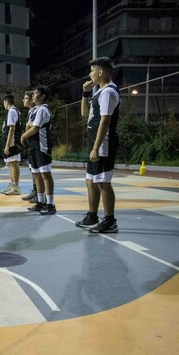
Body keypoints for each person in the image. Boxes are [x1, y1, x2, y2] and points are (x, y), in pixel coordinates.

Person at [76, 57, 121, 233]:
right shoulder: (100, 92)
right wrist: (85, 93)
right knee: (91, 181)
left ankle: (110, 221)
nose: (90, 74)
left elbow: (105, 121)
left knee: (103, 183)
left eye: (92, 71)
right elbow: (84, 114)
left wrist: (96, 148)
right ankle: (92, 216)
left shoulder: (108, 92)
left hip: (104, 144)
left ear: (101, 72)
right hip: (95, 142)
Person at [20, 86, 56, 215]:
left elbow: (35, 128)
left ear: (42, 96)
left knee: (45, 174)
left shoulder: (43, 110)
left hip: (42, 146)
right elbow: (31, 125)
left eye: (35, 94)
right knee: (36, 174)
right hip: (33, 146)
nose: (33, 96)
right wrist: (29, 127)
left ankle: (50, 204)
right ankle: (41, 202)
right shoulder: (35, 110)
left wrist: (23, 136)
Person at [1, 94, 22, 195]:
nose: (3, 105)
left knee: (14, 163)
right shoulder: (13, 111)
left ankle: (16, 187)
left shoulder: (12, 111)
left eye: (4, 102)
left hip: (12, 142)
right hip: (11, 142)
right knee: (10, 164)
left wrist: (7, 145)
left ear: (6, 102)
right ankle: (12, 185)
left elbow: (12, 129)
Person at [21, 91, 38, 203]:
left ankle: (40, 194)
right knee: (33, 169)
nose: (23, 100)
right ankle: (35, 191)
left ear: (31, 100)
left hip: (36, 143)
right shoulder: (30, 112)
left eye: (26, 98)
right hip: (31, 143)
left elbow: (36, 126)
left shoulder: (37, 111)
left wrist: (24, 134)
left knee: (38, 171)